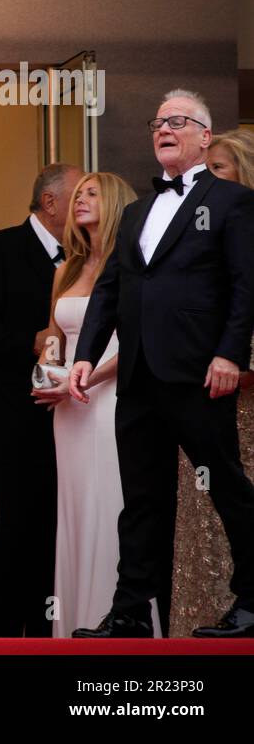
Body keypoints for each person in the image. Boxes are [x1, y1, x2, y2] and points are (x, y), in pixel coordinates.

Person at [70, 90, 254, 638]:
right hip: (140, 377)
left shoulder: (232, 202)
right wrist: (84, 356)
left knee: (227, 486)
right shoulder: (135, 212)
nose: (165, 129)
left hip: (199, 371)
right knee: (142, 498)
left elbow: (247, 285)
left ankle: (252, 602)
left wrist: (229, 353)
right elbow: (109, 291)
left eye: (179, 121)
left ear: (205, 135)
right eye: (158, 123)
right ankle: (130, 614)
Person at [0, 162, 81, 636]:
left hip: (72, 425)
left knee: (55, 538)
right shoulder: (0, 248)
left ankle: (47, 641)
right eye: (78, 194)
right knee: (15, 536)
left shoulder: (85, 258)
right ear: (50, 203)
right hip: (13, 424)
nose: (87, 203)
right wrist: (31, 341)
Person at [28, 172, 158, 636]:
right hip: (69, 408)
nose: (80, 199)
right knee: (75, 510)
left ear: (116, 202)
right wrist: (48, 365)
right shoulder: (65, 268)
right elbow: (53, 333)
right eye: (77, 193)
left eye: (91, 193)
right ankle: (76, 628)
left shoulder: (134, 264)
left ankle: (121, 621)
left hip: (111, 398)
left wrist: (85, 378)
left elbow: (142, 341)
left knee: (112, 504)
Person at [170, 127, 254, 635]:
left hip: (242, 401)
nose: (207, 183)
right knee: (201, 523)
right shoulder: (196, 239)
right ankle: (200, 624)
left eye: (218, 170)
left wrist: (236, 361)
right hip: (198, 399)